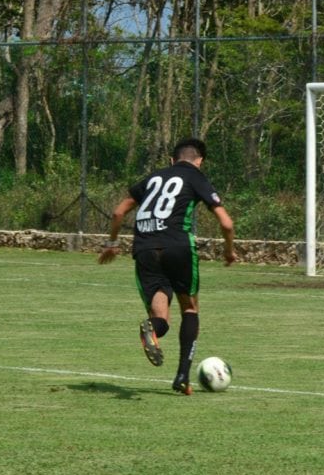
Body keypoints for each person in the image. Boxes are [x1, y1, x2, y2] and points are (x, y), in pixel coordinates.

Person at [98, 138, 236, 395]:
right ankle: (183, 376)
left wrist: (111, 243)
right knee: (190, 309)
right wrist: (228, 252)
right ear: (200, 161)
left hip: (145, 249)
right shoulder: (196, 177)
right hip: (178, 247)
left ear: (172, 160)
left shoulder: (152, 178)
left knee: (160, 317)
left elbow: (118, 213)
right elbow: (226, 223)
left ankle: (153, 330)